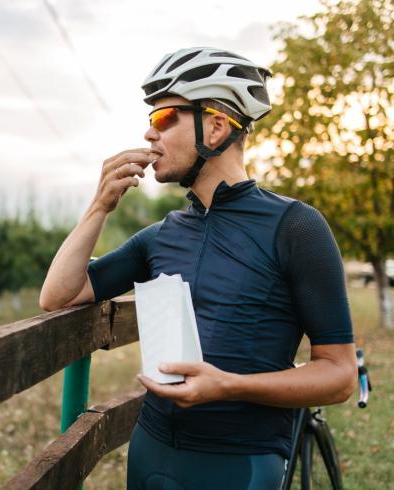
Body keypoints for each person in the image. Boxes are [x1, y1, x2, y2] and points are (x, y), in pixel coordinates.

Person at [39, 47, 357, 489]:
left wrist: (228, 386)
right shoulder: (160, 235)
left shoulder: (296, 227)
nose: (150, 134)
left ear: (217, 125)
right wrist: (99, 206)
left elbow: (340, 375)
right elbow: (58, 295)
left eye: (165, 117)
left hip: (240, 460)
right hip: (151, 449)